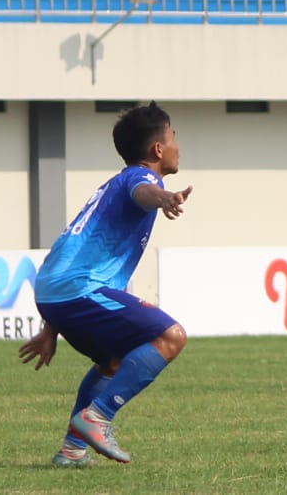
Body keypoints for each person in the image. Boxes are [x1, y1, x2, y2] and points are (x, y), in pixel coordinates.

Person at [18, 101, 193, 466]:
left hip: (58, 290)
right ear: (157, 149)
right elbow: (145, 193)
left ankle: (72, 451)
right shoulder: (140, 179)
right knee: (171, 337)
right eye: (174, 136)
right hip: (76, 289)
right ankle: (97, 418)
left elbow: (73, 250)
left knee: (115, 360)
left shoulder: (111, 186)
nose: (178, 144)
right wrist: (164, 199)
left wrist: (53, 324)